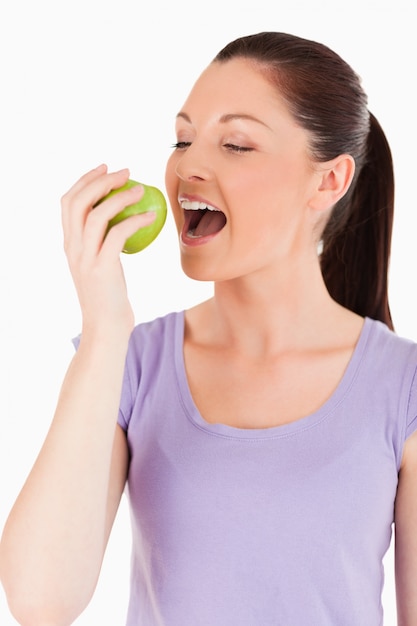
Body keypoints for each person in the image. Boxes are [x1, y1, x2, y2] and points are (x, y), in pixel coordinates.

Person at [0, 31, 416, 626]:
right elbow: (39, 602)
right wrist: (105, 327)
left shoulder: (403, 385)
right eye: (183, 138)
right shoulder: (128, 362)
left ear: (328, 181)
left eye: (237, 144)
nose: (189, 165)